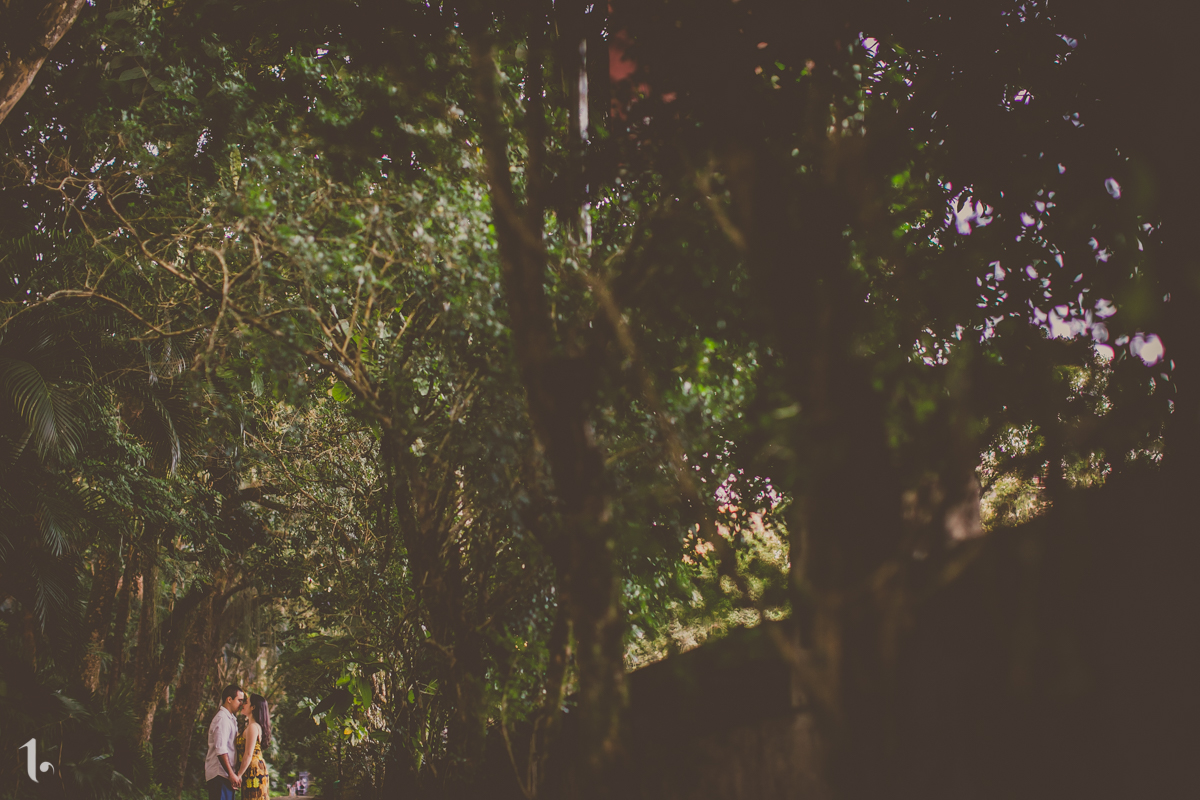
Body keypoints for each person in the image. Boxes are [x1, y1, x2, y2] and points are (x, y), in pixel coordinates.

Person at [205, 684, 245, 800]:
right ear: (229, 699)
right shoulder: (222, 719)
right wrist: (231, 774)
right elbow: (221, 749)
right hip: (220, 774)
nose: (241, 704)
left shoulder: (231, 719)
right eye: (239, 700)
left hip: (226, 775)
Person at [236, 693, 272, 799]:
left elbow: (248, 754)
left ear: (253, 707)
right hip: (250, 770)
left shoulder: (253, 727)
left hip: (254, 771)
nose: (243, 704)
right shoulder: (249, 727)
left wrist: (238, 775)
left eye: (246, 702)